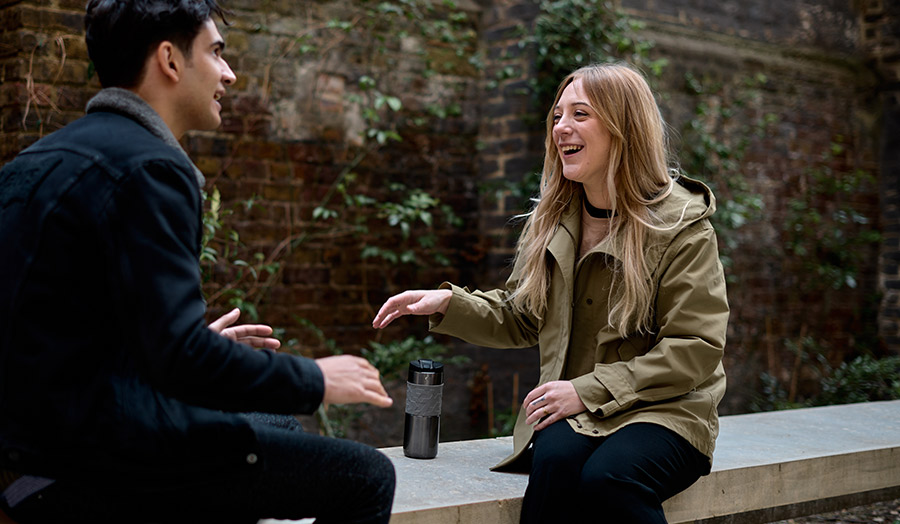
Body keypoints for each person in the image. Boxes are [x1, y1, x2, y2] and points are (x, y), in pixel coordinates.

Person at [0, 1, 395, 522]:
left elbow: (59, 335)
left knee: (271, 423)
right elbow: (181, 362)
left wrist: (196, 344)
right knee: (367, 477)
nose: (228, 74)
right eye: (215, 53)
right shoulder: (152, 167)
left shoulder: (34, 161)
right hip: (90, 468)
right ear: (170, 60)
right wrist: (316, 378)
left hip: (27, 454)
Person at [373, 63, 729, 523]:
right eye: (557, 116)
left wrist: (586, 389)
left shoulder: (681, 226)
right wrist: (449, 303)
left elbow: (695, 347)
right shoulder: (556, 218)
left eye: (580, 114)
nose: (561, 127)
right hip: (583, 411)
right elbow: (525, 317)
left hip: (668, 410)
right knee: (554, 462)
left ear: (624, 128)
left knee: (611, 479)